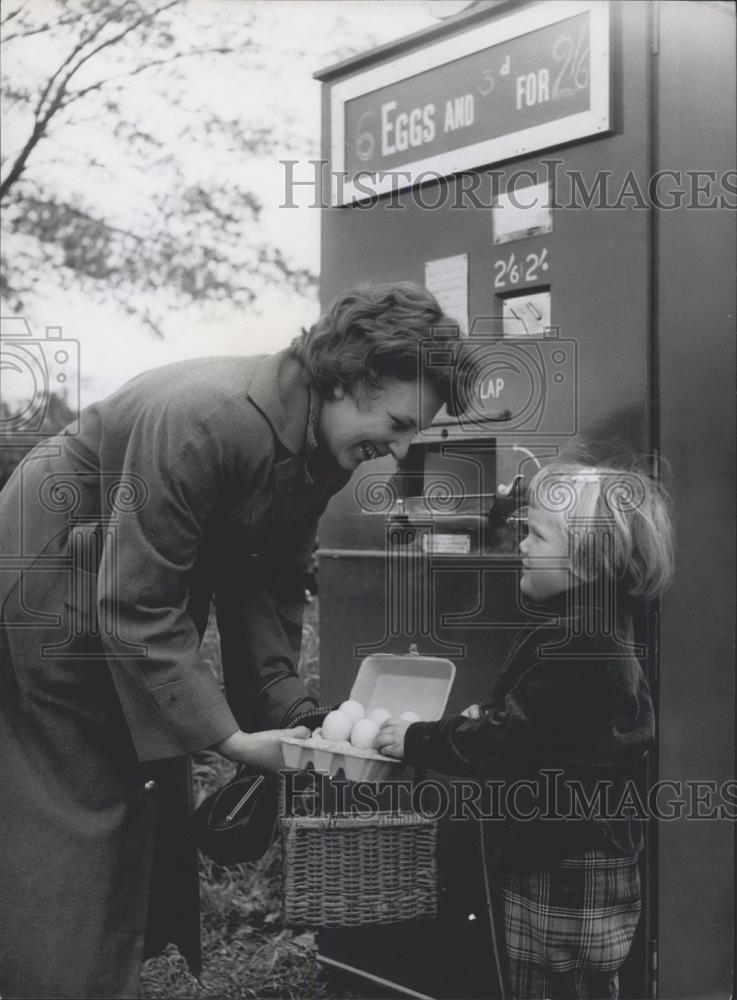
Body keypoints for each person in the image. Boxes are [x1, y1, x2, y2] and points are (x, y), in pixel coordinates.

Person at [0, 282, 467, 998]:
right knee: (84, 796)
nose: (399, 449)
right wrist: (227, 739)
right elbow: (132, 604)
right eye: (401, 422)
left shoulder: (322, 440)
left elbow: (271, 583)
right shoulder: (208, 419)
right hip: (57, 568)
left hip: (116, 573)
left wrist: (292, 716)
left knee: (140, 789)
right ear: (350, 376)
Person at [378, 461, 674, 1000]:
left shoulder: (582, 643)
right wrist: (494, 717)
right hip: (581, 855)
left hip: (564, 867)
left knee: (554, 986)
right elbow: (545, 729)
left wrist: (419, 738)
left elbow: (511, 742)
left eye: (536, 533)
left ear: (584, 562)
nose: (522, 543)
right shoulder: (600, 626)